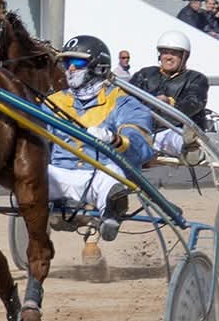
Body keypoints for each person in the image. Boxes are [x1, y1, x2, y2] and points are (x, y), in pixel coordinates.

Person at [45, 35, 153, 251]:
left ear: (98, 67)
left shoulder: (120, 100)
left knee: (112, 176)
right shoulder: (54, 102)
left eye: (77, 63)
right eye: (66, 64)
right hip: (59, 174)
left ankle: (110, 217)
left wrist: (114, 139)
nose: (70, 69)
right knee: (30, 173)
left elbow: (141, 144)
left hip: (99, 174)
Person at [129, 30, 209, 158]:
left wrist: (169, 103)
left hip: (172, 129)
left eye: (174, 54)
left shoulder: (196, 78)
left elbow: (193, 103)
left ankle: (190, 147)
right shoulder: (145, 74)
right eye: (165, 53)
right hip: (144, 128)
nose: (168, 57)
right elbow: (128, 97)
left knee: (174, 138)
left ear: (184, 57)